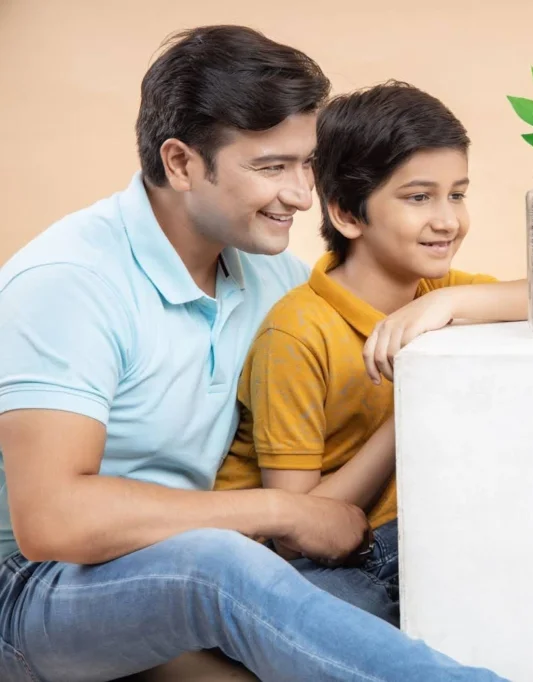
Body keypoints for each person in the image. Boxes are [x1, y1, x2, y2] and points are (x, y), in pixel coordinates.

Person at [0, 25, 507, 682]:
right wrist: (282, 510)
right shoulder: (69, 280)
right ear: (181, 163)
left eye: (307, 164)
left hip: (196, 575)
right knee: (220, 565)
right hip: (37, 593)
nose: (301, 195)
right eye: (272, 167)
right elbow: (52, 519)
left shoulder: (273, 280)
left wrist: (442, 305)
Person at [214, 81, 528, 627]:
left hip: (404, 542)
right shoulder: (295, 333)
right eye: (418, 197)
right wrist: (411, 406)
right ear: (347, 214)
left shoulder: (436, 295)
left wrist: (453, 301)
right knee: (355, 628)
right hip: (307, 565)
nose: (448, 220)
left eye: (457, 194)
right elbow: (295, 532)